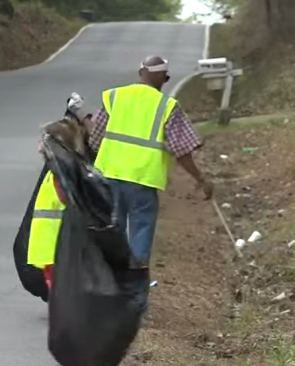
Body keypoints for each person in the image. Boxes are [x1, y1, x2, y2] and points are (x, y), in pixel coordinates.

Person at [87, 55, 214, 268]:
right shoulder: (167, 106)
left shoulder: (115, 97)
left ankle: (109, 277)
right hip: (142, 180)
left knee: (112, 228)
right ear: (163, 77)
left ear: (140, 74)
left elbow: (95, 139)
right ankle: (135, 282)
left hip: (109, 175)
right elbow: (182, 150)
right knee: (141, 230)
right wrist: (200, 179)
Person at [31, 95, 97, 366]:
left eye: (43, 141)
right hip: (55, 255)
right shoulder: (64, 172)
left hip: (60, 255)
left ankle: (76, 363)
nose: (38, 146)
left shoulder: (64, 176)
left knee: (66, 313)